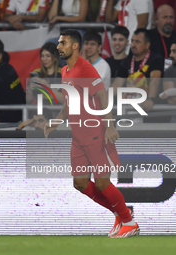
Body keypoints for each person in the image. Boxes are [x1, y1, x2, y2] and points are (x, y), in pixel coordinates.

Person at [44, 29, 139, 238]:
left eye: (63, 43)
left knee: (103, 182)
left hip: (95, 132)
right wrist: (56, 121)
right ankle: (121, 213)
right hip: (78, 136)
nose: (58, 47)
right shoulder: (65, 71)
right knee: (80, 183)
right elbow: (70, 102)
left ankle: (130, 222)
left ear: (75, 46)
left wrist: (110, 126)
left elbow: (103, 96)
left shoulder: (85, 68)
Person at [111, 28, 163, 113]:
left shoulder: (155, 59)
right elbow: (117, 84)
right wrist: (105, 96)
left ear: (147, 45)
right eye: (132, 41)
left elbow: (155, 81)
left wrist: (150, 99)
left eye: (137, 42)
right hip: (129, 108)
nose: (133, 45)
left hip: (149, 109)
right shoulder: (126, 61)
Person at [148, 4, 176, 70]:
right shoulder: (147, 37)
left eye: (171, 17)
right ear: (156, 19)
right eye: (165, 17)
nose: (169, 21)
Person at [160, 41, 176, 121]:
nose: (170, 55)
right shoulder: (169, 71)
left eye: (174, 52)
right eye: (171, 51)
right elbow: (171, 100)